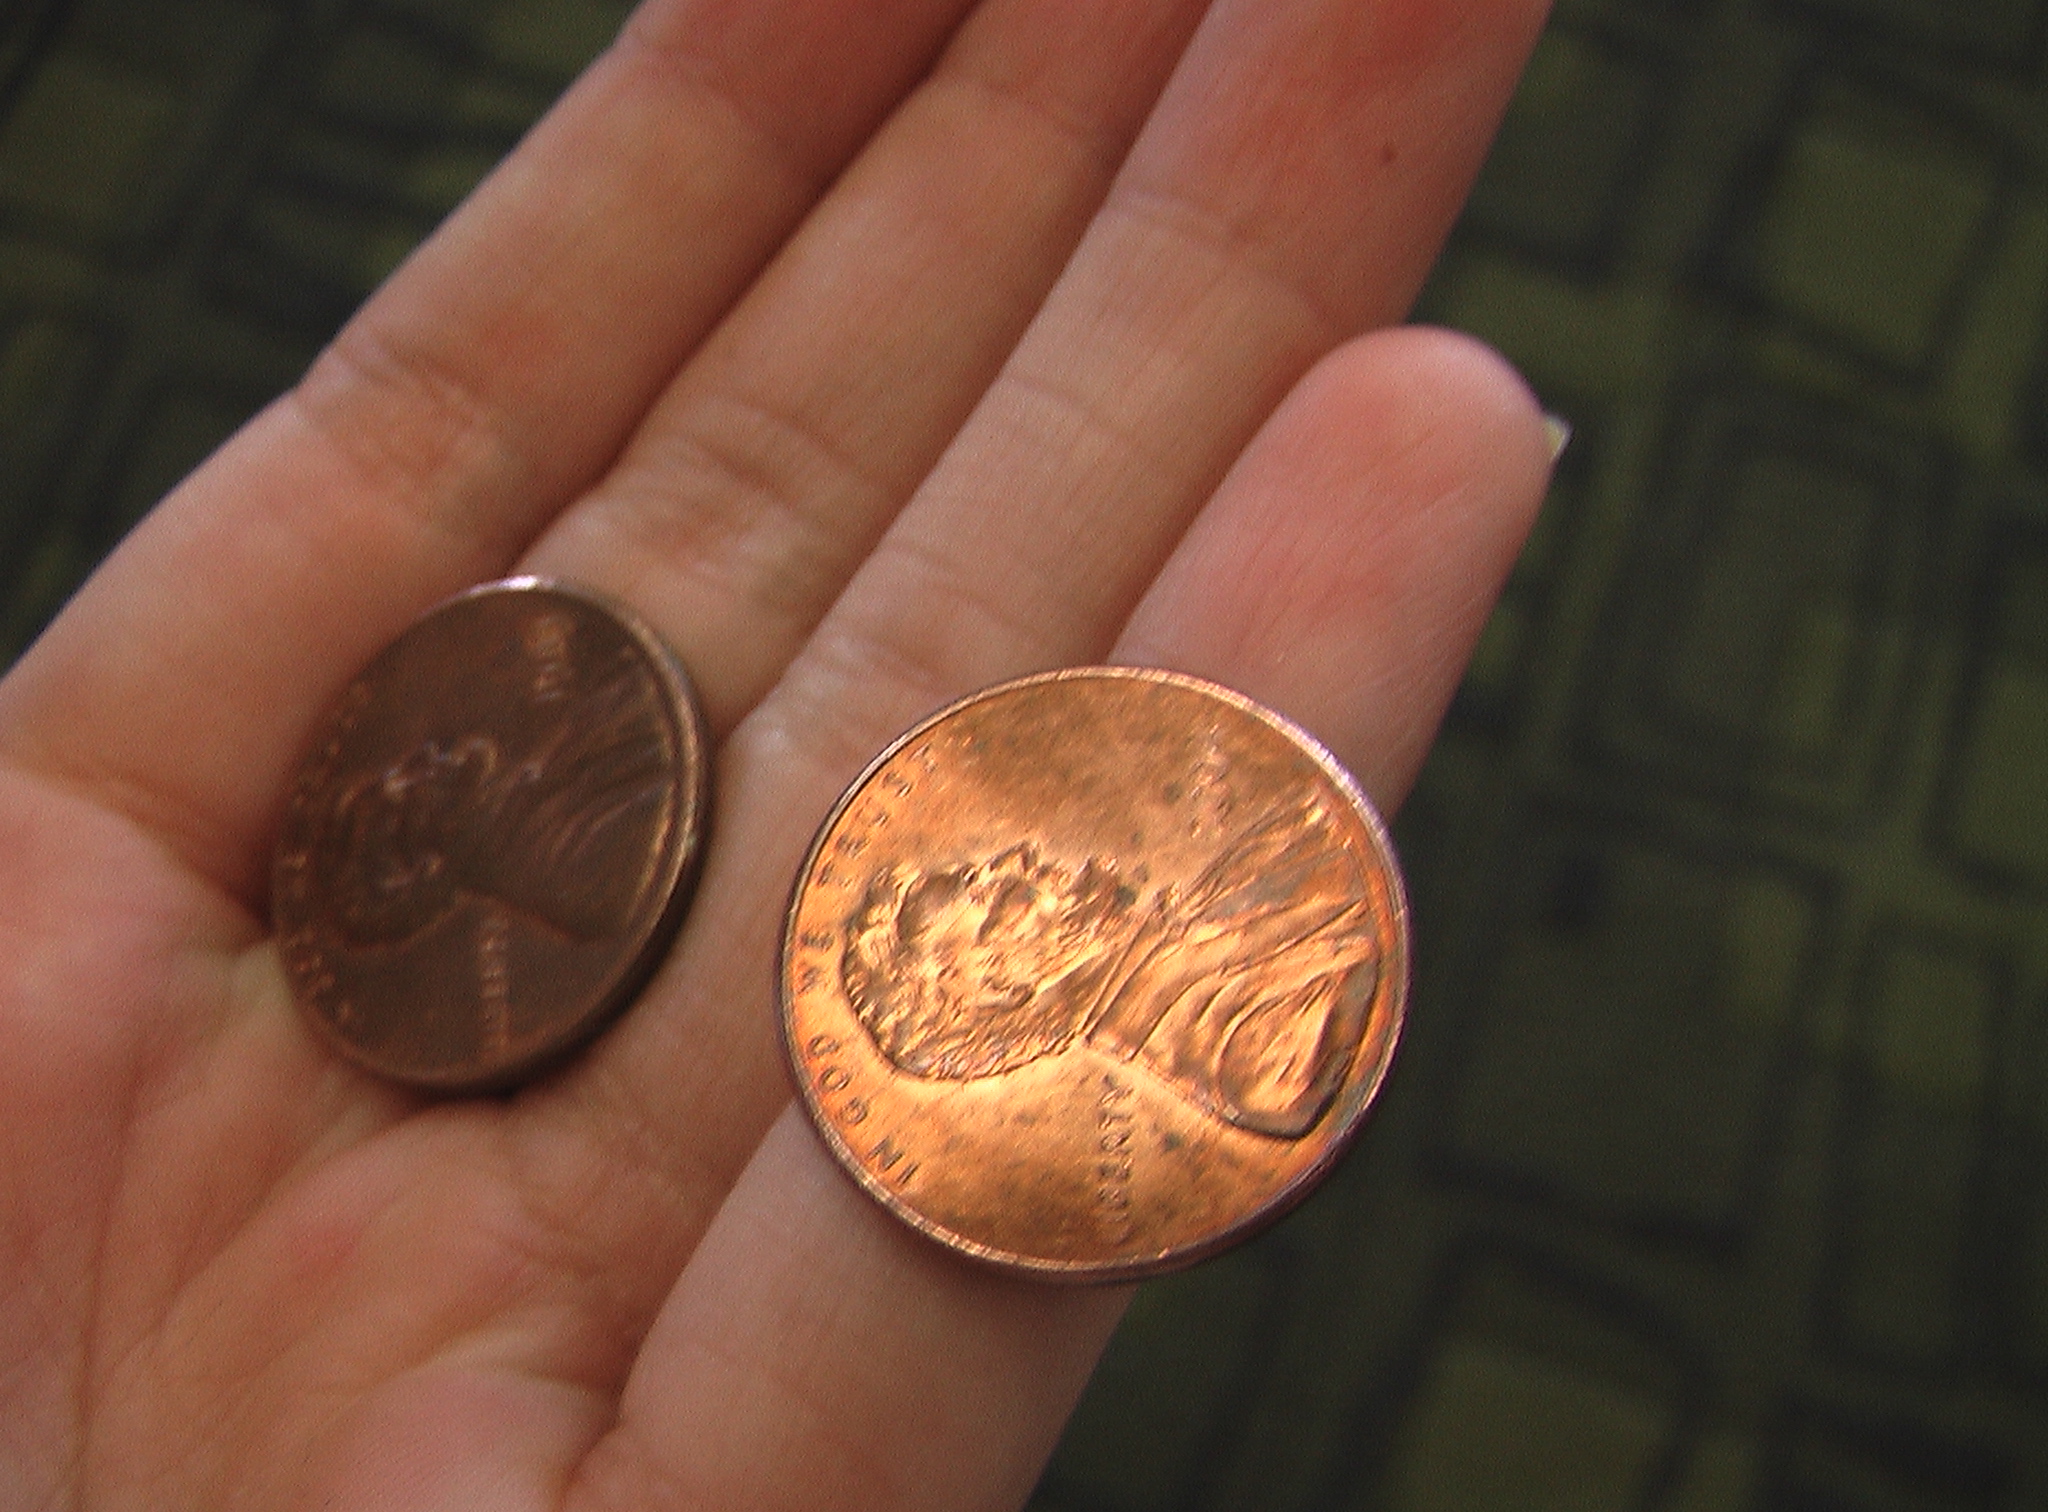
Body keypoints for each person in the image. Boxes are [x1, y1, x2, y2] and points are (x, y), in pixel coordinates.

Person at [0, 0, 1555, 1504]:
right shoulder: (1241, 1031)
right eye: (988, 909)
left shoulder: (1245, 893)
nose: (1010, 862)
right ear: (1005, 1006)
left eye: (988, 878)